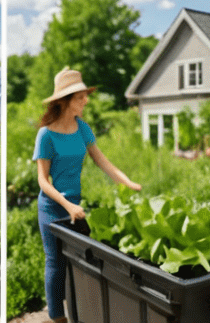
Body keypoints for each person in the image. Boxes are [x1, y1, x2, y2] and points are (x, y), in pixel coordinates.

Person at [34, 68, 141, 323]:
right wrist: (67, 205)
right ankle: (57, 316)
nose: (86, 101)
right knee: (55, 261)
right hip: (52, 207)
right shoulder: (46, 134)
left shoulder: (82, 128)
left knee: (76, 262)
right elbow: (42, 181)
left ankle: (76, 309)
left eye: (85, 96)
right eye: (81, 97)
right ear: (65, 100)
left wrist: (128, 183)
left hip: (75, 207)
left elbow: (103, 161)